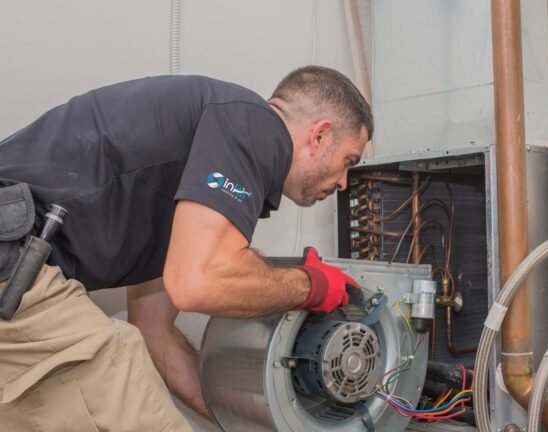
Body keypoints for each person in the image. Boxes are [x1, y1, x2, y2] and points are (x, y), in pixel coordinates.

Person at [0, 66, 372, 431]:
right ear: (320, 135)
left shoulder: (195, 167)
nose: (342, 183)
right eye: (348, 162)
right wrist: (311, 286)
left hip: (18, 272)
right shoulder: (255, 125)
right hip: (16, 262)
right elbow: (199, 283)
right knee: (122, 372)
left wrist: (248, 422)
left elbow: (154, 330)